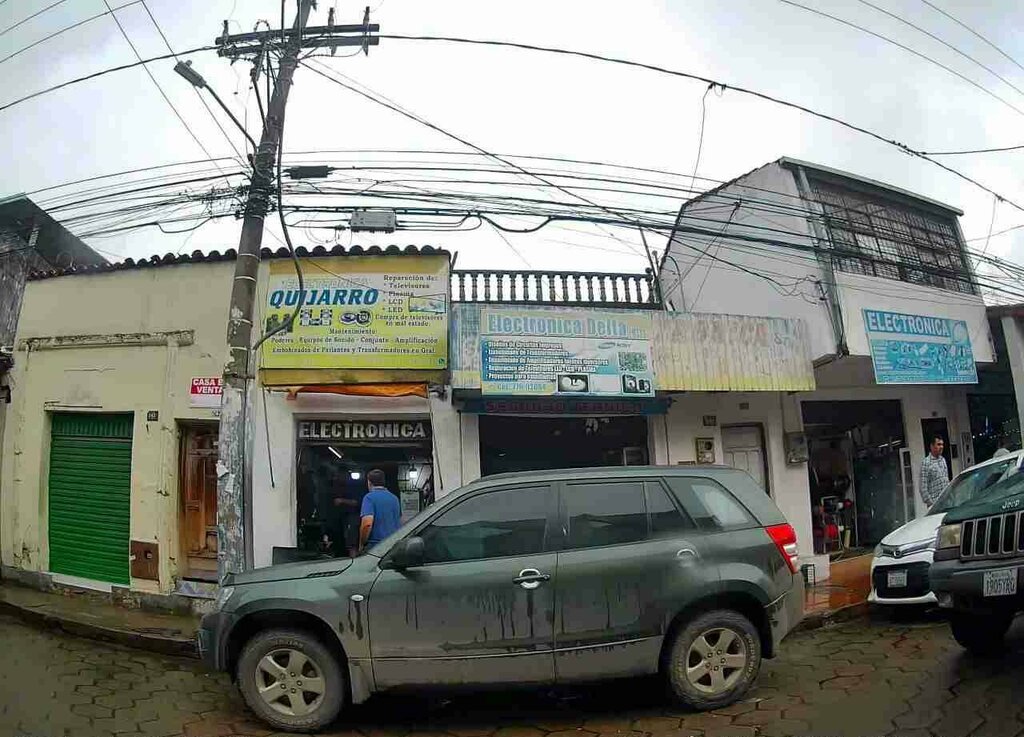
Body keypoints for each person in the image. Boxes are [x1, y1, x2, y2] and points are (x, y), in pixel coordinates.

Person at [359, 468, 402, 552]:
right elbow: (399, 520)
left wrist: (362, 543)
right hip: (393, 546)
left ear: (369, 482)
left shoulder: (369, 498)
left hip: (375, 547)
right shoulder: (394, 498)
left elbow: (367, 524)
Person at [920, 435, 950, 508]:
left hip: (947, 502)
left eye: (942, 444)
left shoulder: (943, 460)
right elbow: (922, 487)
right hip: (935, 505)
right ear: (932, 446)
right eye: (938, 444)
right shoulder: (926, 463)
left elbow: (946, 480)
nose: (941, 447)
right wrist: (931, 504)